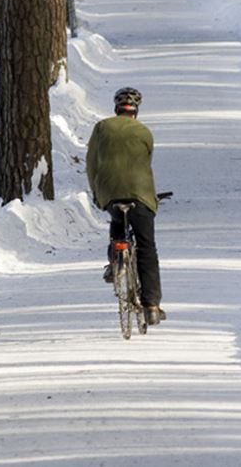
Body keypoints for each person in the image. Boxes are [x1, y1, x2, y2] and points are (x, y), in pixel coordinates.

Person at [86, 87, 166, 325]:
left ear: (116, 108)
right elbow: (145, 163)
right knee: (146, 248)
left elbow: (92, 164)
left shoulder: (101, 128)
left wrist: (98, 193)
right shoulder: (144, 132)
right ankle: (151, 306)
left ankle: (116, 262)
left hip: (110, 193)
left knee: (117, 222)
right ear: (136, 111)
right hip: (140, 196)